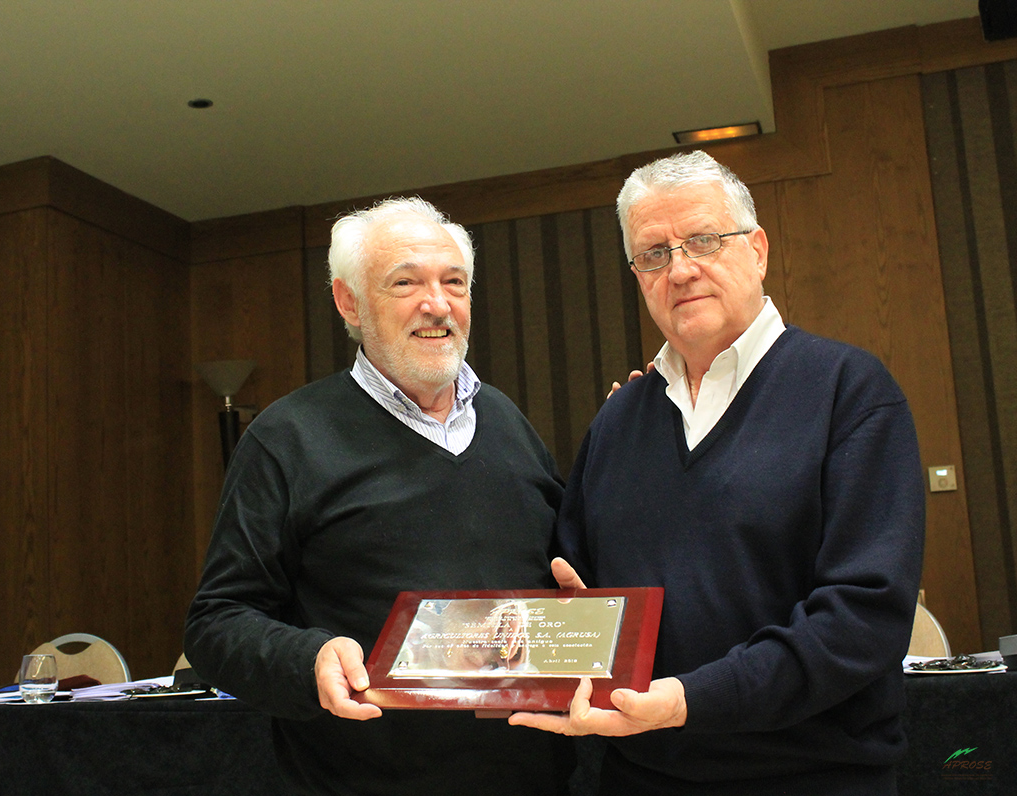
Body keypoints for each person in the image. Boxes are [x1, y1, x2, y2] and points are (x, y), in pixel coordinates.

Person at [510, 151, 926, 796]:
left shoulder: (849, 392)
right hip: (638, 775)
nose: (680, 270)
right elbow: (574, 584)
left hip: (811, 778)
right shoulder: (618, 422)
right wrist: (568, 621)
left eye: (704, 240)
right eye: (654, 254)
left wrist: (690, 700)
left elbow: (863, 618)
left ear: (757, 251)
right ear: (637, 275)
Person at [184, 197, 574, 796]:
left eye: (454, 282)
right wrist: (307, 659)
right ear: (350, 303)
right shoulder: (288, 438)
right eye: (405, 283)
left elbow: (562, 579)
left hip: (534, 778)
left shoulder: (508, 422)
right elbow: (216, 623)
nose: (437, 304)